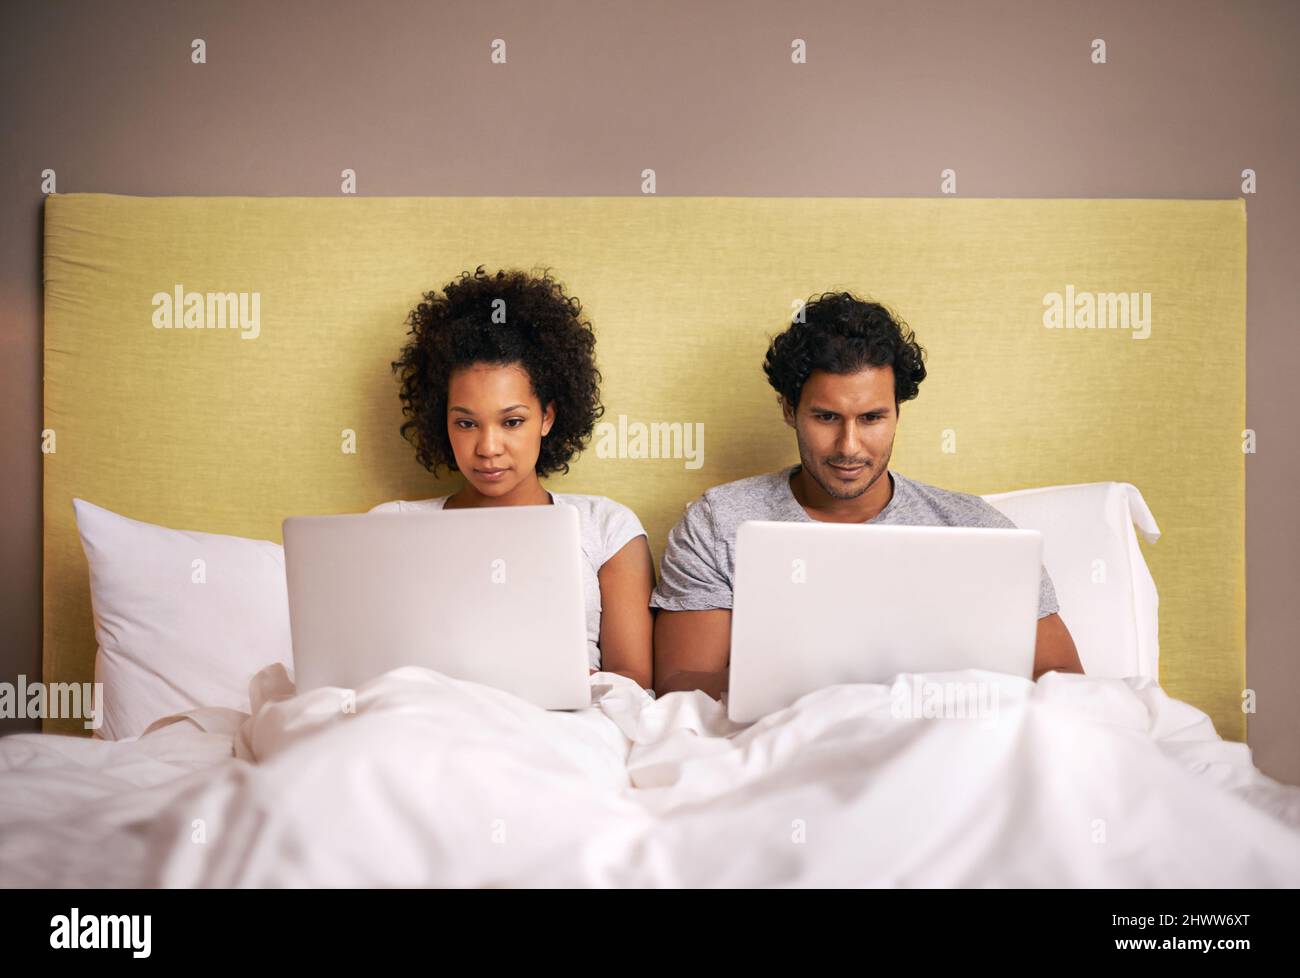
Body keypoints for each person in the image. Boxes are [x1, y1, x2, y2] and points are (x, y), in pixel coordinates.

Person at [650, 291, 1083, 699]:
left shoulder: (977, 529)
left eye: (872, 417)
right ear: (789, 409)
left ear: (897, 412)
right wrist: (818, 685)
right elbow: (680, 684)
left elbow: (1064, 679)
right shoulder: (721, 522)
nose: (849, 446)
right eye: (826, 417)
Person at [371, 266, 655, 690]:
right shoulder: (389, 526)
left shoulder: (606, 527)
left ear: (548, 417)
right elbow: (363, 664)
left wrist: (572, 683)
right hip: (430, 720)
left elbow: (634, 681)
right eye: (466, 424)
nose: (487, 447)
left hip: (559, 723)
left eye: (512, 422)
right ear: (441, 422)